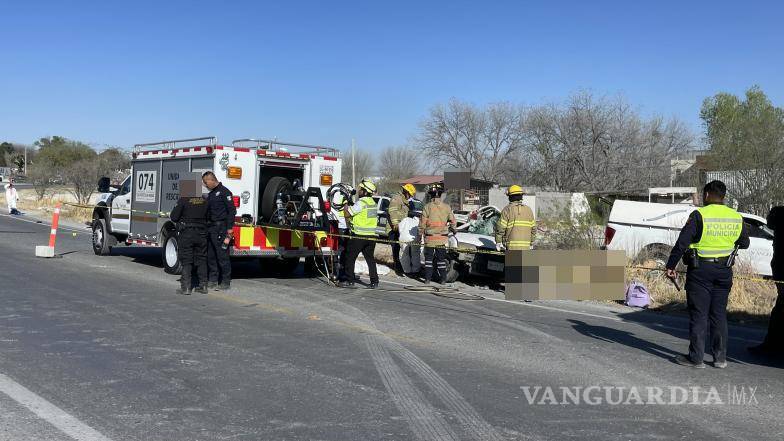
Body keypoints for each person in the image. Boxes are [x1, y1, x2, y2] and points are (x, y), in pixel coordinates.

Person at [666, 180, 750, 369]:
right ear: (724, 196)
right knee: (719, 314)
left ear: (706, 195)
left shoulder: (699, 215)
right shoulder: (736, 217)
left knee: (699, 314)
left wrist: (671, 265)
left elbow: (682, 243)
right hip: (724, 271)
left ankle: (696, 358)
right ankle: (720, 359)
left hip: (700, 271)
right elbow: (744, 243)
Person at [748, 205, 784, 357]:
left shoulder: (780, 220)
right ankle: (772, 344)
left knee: (780, 311)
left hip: (782, 272)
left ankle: (771, 345)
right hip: (780, 272)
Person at [169, 178, 209, 295]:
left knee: (186, 260)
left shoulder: (184, 200)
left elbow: (174, 217)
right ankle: (203, 286)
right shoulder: (205, 201)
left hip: (187, 233)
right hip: (202, 233)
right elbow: (209, 216)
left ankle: (186, 288)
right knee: (201, 259)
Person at [339, 179, 379, 289]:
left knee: (350, 257)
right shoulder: (373, 203)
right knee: (370, 259)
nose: (359, 191)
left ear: (365, 191)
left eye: (361, 189)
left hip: (359, 236)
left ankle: (349, 280)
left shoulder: (361, 203)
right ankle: (374, 282)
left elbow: (347, 214)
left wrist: (345, 204)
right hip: (371, 237)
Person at [202, 171, 236, 290]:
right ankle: (213, 280)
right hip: (211, 228)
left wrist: (230, 228)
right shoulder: (212, 194)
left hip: (221, 228)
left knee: (222, 256)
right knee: (211, 256)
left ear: (211, 180)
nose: (205, 185)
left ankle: (225, 282)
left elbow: (232, 211)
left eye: (206, 183)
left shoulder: (224, 192)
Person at [418, 183, 456, 284]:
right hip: (442, 239)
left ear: (431, 194)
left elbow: (422, 223)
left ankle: (427, 279)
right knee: (441, 260)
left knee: (429, 260)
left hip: (430, 238)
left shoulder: (427, 207)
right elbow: (453, 221)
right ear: (440, 194)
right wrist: (453, 229)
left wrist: (419, 234)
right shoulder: (447, 207)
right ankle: (443, 279)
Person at [495, 185, 535, 251]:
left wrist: (498, 242)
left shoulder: (507, 209)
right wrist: (532, 241)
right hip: (526, 247)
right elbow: (533, 229)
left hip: (511, 247)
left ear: (510, 197)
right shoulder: (529, 210)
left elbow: (500, 228)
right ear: (521, 196)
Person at [388, 183, 415, 276]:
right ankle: (397, 267)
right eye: (410, 194)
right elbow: (392, 212)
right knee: (396, 248)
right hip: (394, 229)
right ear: (406, 192)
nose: (410, 196)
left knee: (405, 248)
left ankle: (406, 267)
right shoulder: (396, 199)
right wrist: (395, 225)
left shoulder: (406, 201)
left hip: (403, 228)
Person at [328, 193, 349, 281]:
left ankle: (339, 273)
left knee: (340, 252)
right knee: (340, 252)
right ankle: (338, 273)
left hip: (341, 229)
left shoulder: (336, 200)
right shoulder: (344, 201)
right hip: (341, 229)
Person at [398, 199, 422, 276]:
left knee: (404, 255)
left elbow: (400, 228)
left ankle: (407, 270)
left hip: (404, 238)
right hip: (415, 239)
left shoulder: (404, 219)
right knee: (415, 254)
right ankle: (416, 271)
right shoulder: (417, 220)